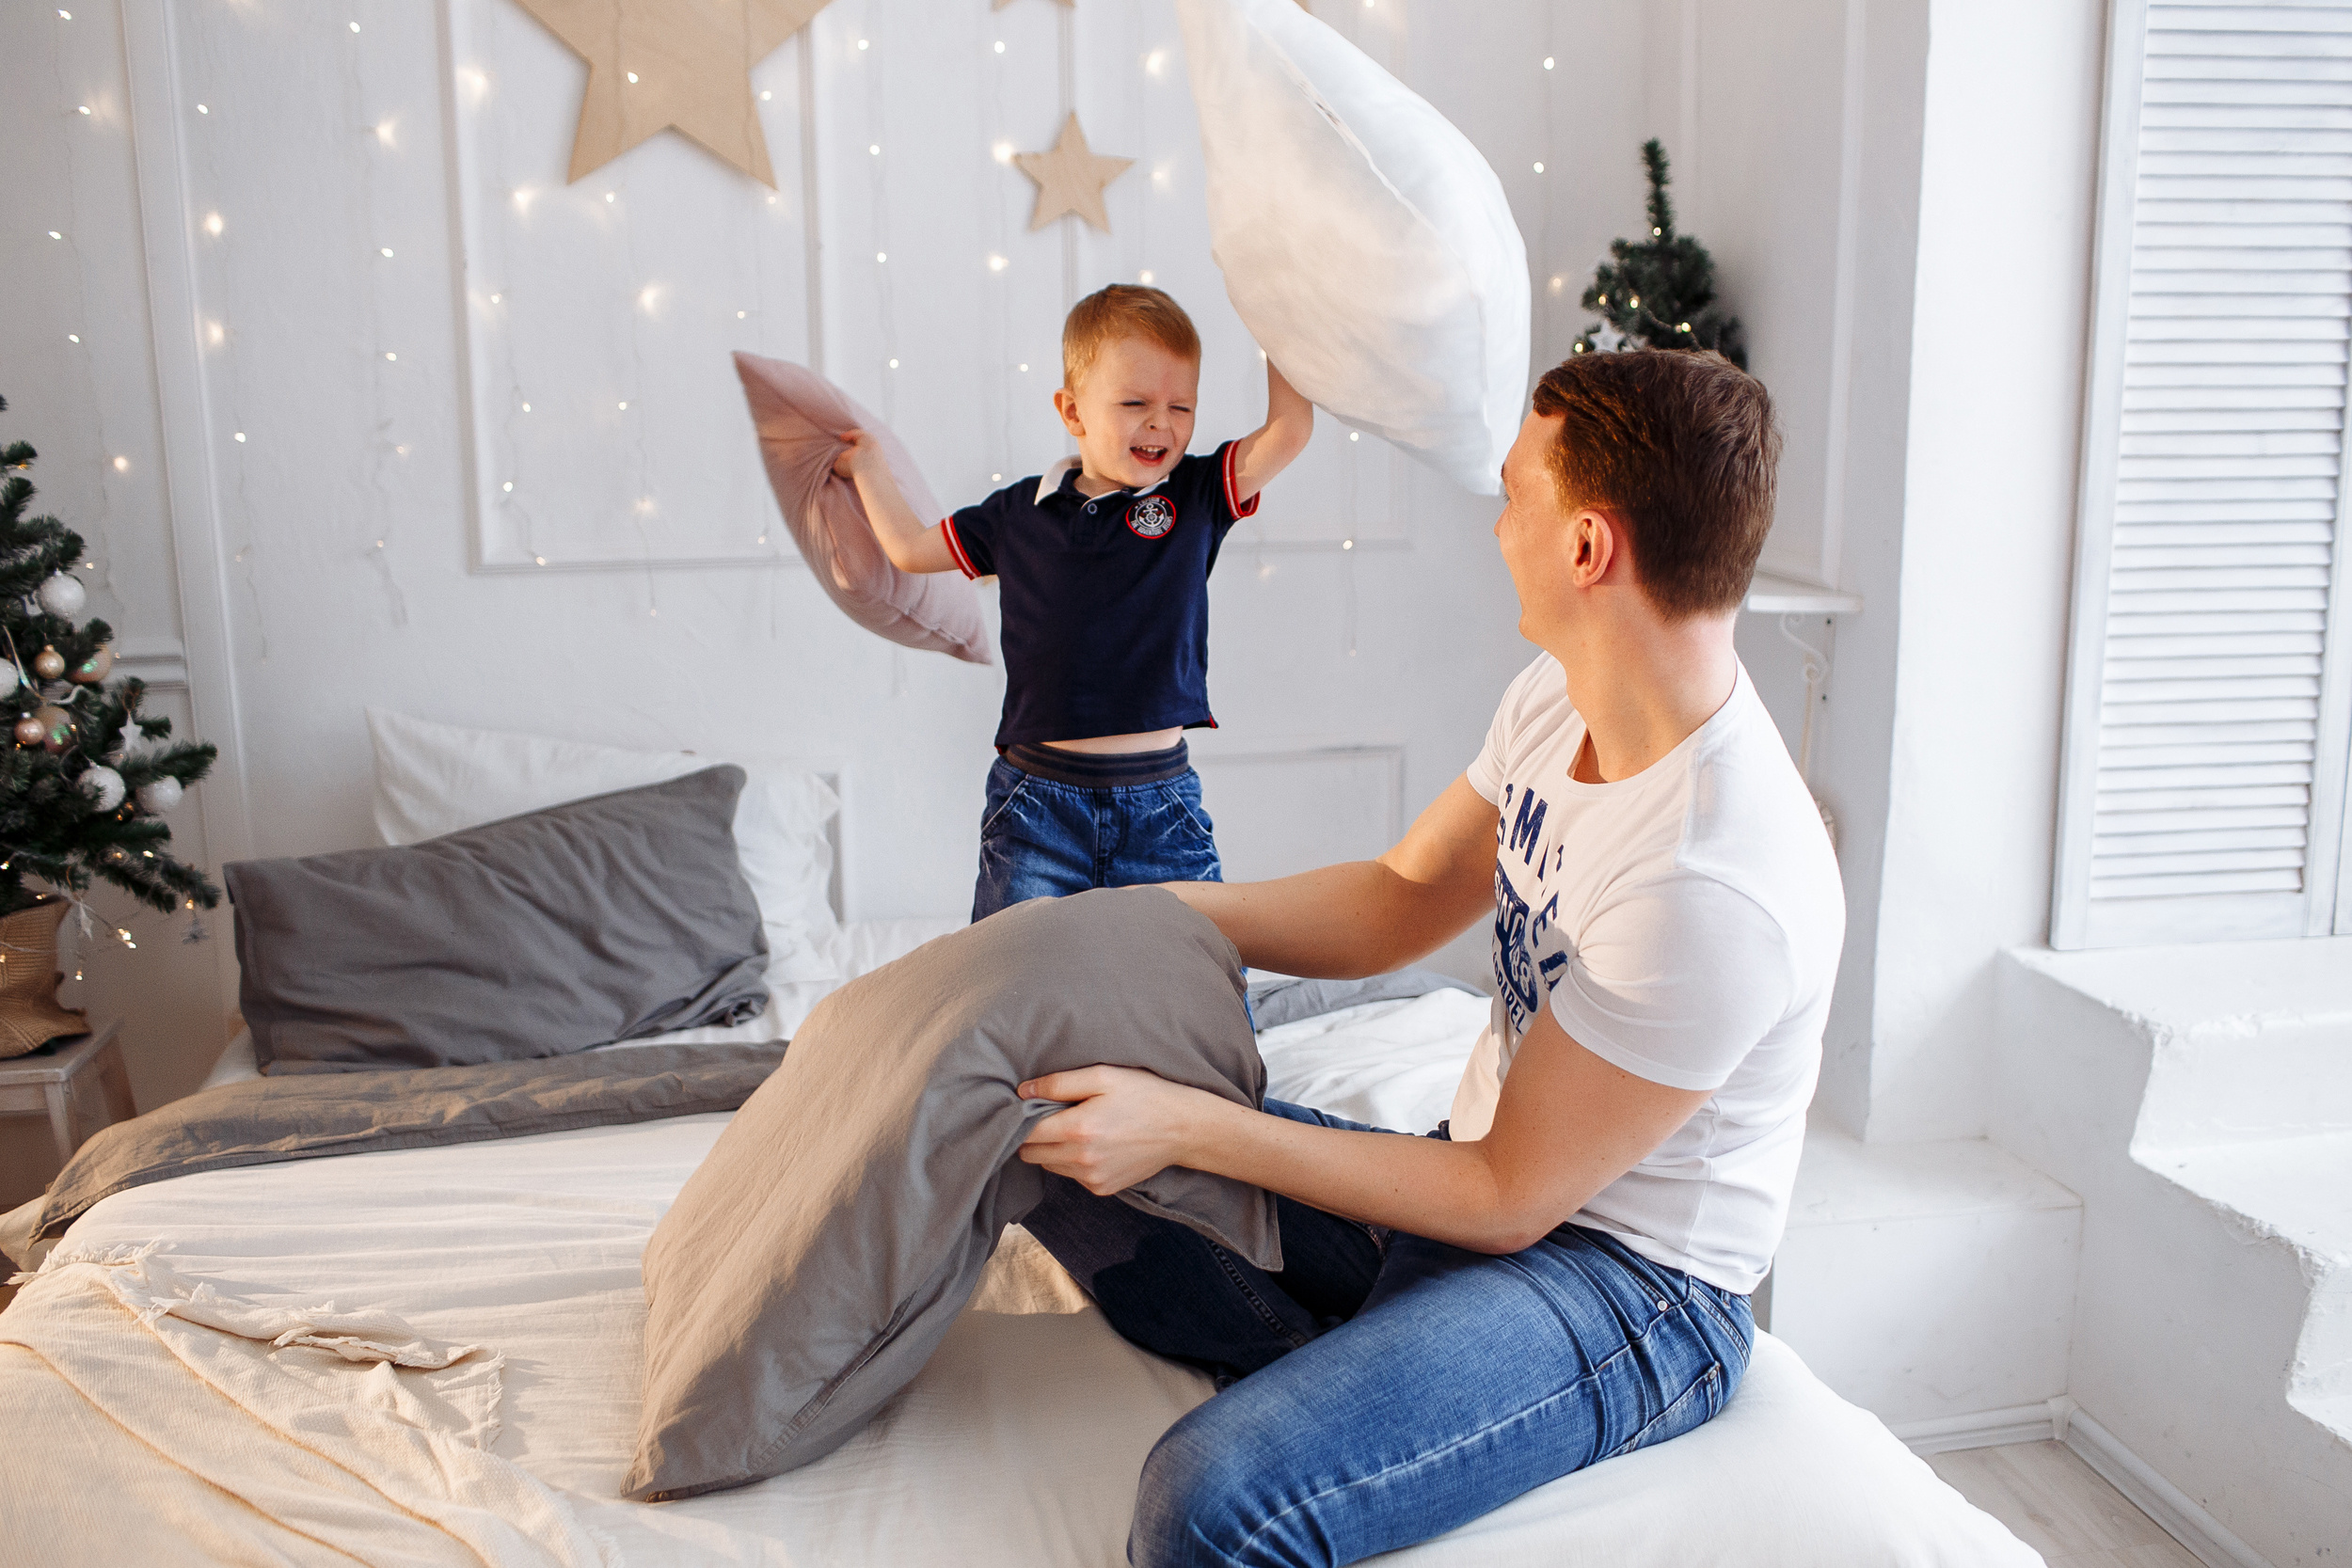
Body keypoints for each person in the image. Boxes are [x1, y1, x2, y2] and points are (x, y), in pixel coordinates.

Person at [1009, 348, 1847, 1568]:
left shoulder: (1716, 876)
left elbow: (1512, 1197)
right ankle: (1372, 1376)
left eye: (1517, 496)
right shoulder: (1562, 698)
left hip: (1629, 1280)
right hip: (1484, 1185)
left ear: (1587, 548)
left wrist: (1190, 1126)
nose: (1498, 525)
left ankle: (1375, 1388)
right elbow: (1404, 896)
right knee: (1054, 1128)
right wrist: (1160, 916)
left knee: (1208, 1498)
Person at [833, 284, 1313, 922]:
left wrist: (1277, 304)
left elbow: (1290, 429)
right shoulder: (1016, 514)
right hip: (1036, 806)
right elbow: (909, 549)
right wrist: (867, 467)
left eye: (1182, 406)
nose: (1161, 423)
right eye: (1135, 402)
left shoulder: (1198, 496)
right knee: (1008, 988)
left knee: (1204, 989)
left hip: (1161, 805)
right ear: (1073, 411)